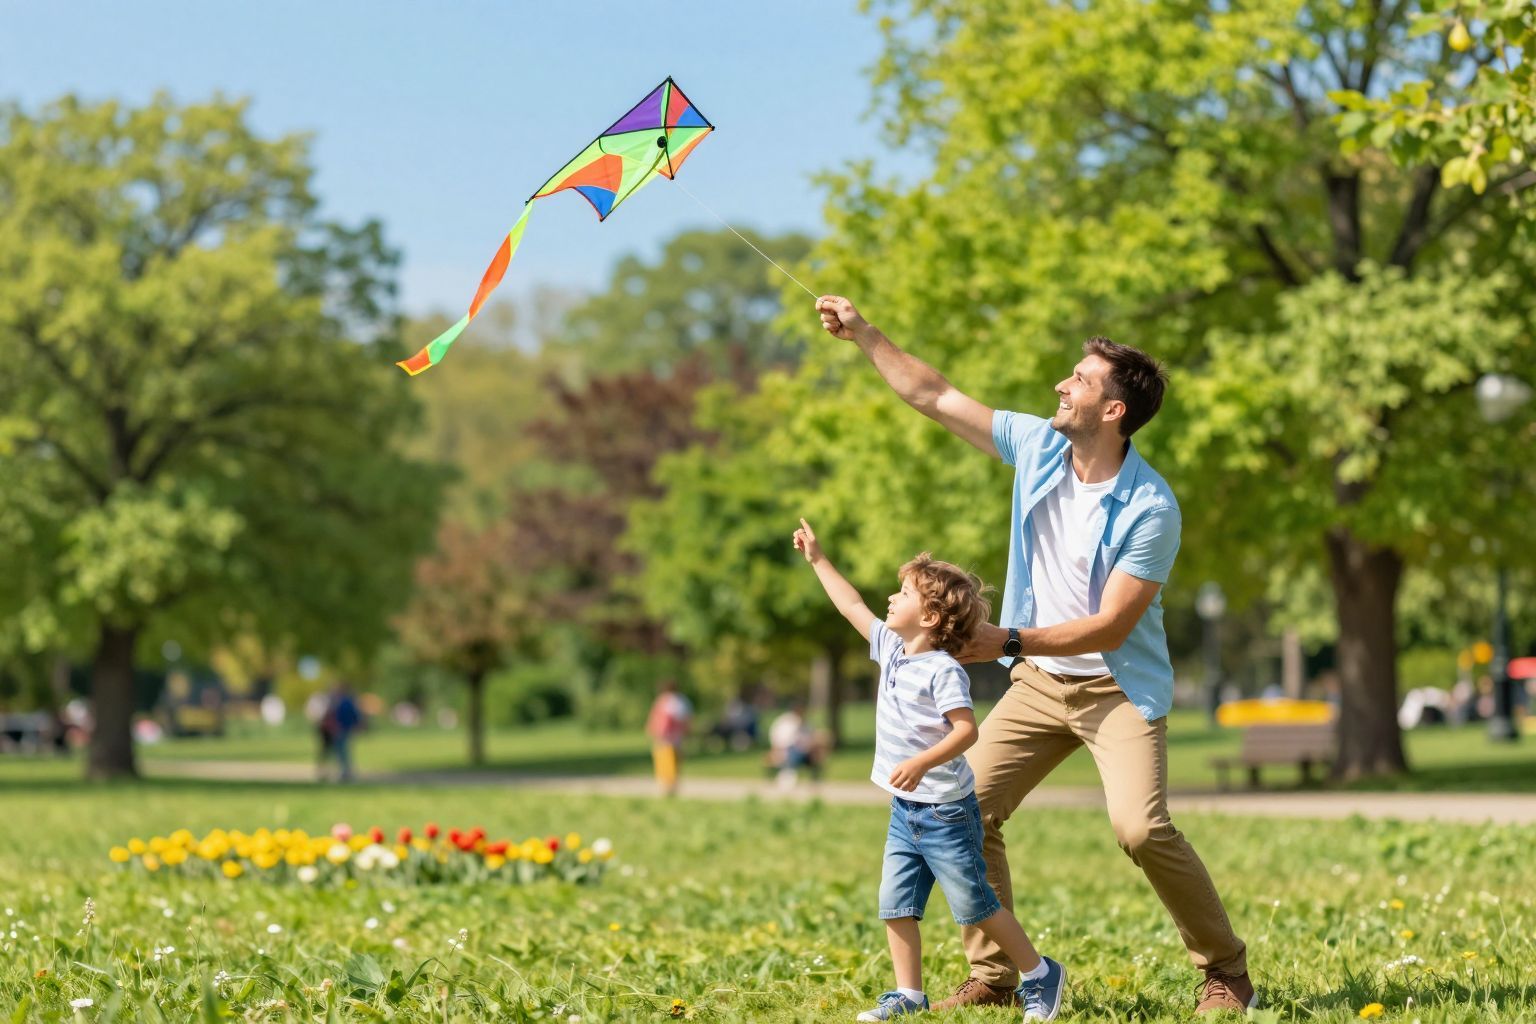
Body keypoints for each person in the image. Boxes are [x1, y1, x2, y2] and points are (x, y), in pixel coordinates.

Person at [815, 296, 1254, 1015]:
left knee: (1140, 828)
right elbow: (933, 393)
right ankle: (995, 977)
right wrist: (865, 334)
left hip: (1115, 688)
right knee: (966, 808)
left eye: (1079, 380)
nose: (1061, 386)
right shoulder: (1039, 446)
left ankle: (1226, 971)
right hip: (1039, 685)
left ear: (1113, 411)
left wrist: (1004, 641)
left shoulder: (1151, 507)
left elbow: (1112, 625)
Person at [793, 518, 1065, 1022]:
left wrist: (921, 761)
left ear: (932, 615)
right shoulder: (891, 648)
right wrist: (818, 560)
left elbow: (966, 732)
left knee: (976, 905)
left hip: (945, 812)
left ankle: (1040, 972)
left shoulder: (943, 670)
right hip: (906, 812)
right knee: (895, 903)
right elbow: (851, 604)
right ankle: (909, 994)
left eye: (903, 593)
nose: (891, 599)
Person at [645, 679, 693, 796]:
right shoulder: (682, 701)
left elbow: (660, 719)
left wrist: (654, 730)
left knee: (665, 759)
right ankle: (672, 784)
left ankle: (667, 785)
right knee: (674, 760)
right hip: (676, 735)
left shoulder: (667, 700)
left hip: (666, 735)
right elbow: (687, 719)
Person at [322, 680, 362, 783]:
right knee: (342, 751)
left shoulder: (343, 702)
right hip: (341, 729)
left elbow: (348, 716)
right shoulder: (345, 701)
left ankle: (346, 772)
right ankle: (345, 771)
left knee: (342, 751)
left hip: (342, 729)